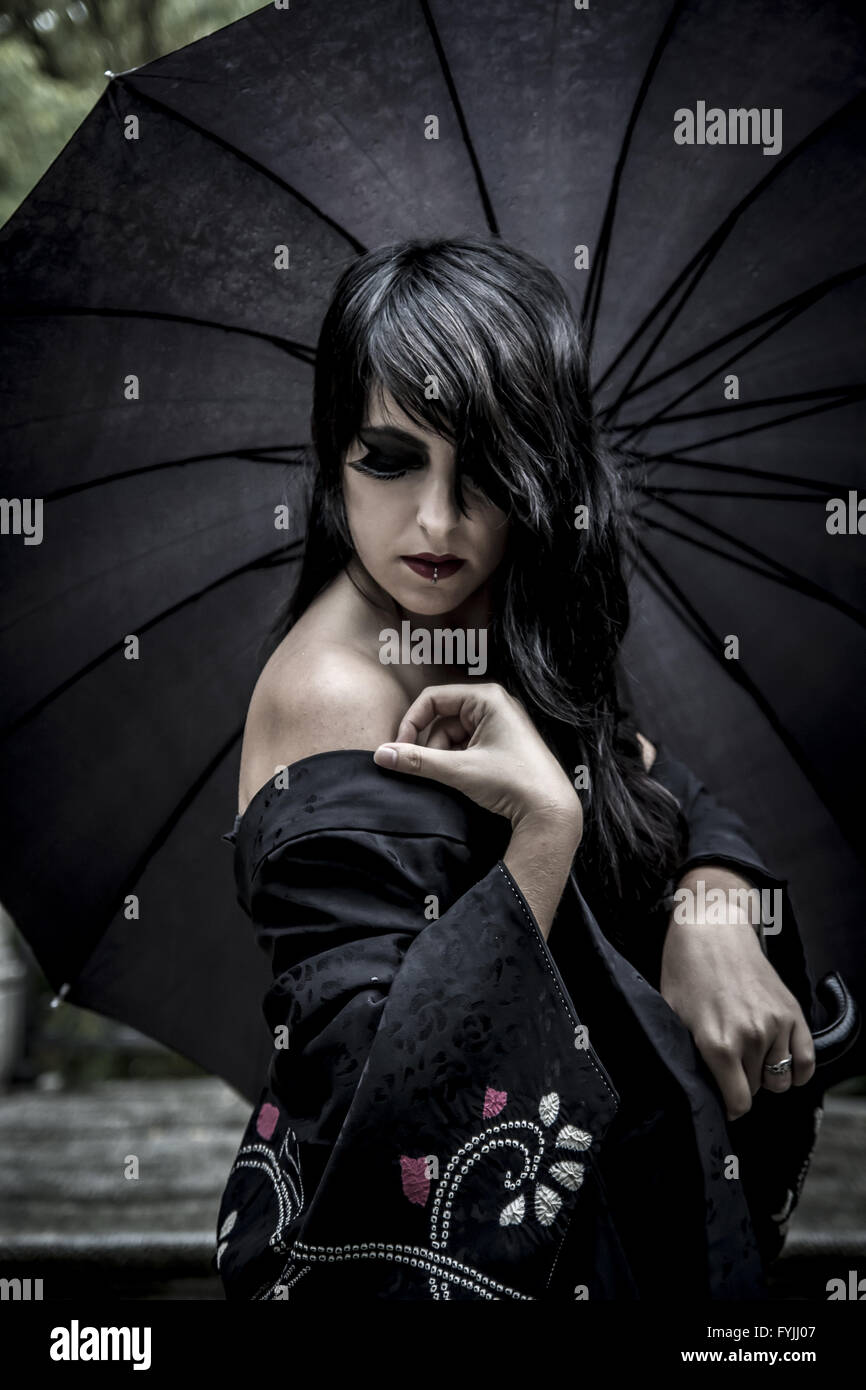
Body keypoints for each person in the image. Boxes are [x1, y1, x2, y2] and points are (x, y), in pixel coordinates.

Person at [214, 236, 824, 1301]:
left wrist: (712, 903)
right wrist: (544, 834)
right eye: (389, 458)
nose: (437, 522)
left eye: (483, 466)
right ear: (331, 455)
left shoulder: (484, 614)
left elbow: (660, 783)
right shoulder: (334, 694)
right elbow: (387, 1109)